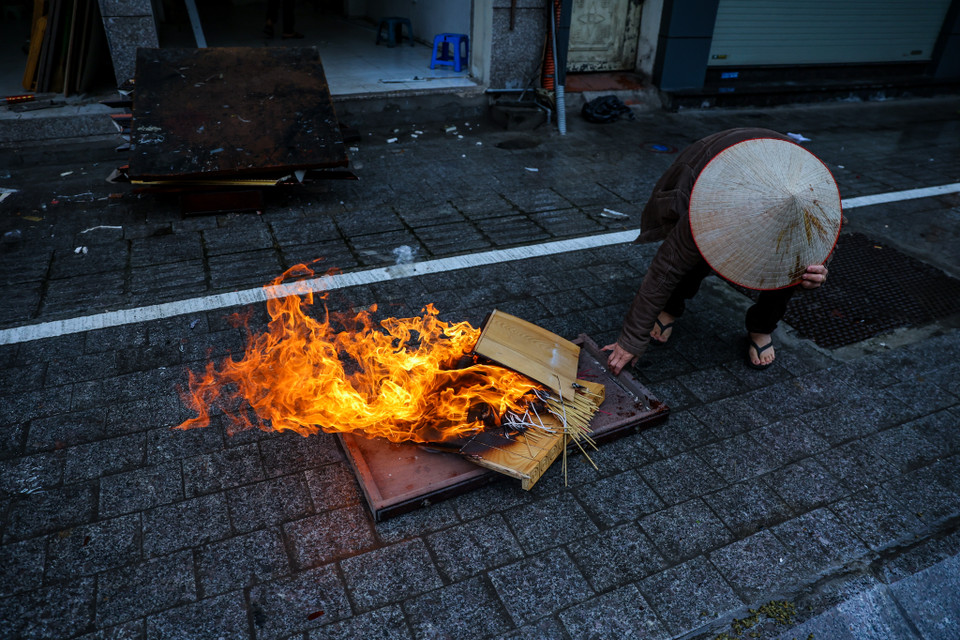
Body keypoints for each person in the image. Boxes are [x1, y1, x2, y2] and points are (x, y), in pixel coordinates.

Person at [603, 127, 839, 375]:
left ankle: (761, 327)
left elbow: (825, 240)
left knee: (793, 271)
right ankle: (671, 306)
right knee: (695, 254)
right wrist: (631, 340)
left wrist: (818, 272)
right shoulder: (711, 208)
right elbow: (665, 270)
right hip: (712, 165)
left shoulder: (812, 197)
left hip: (781, 175)